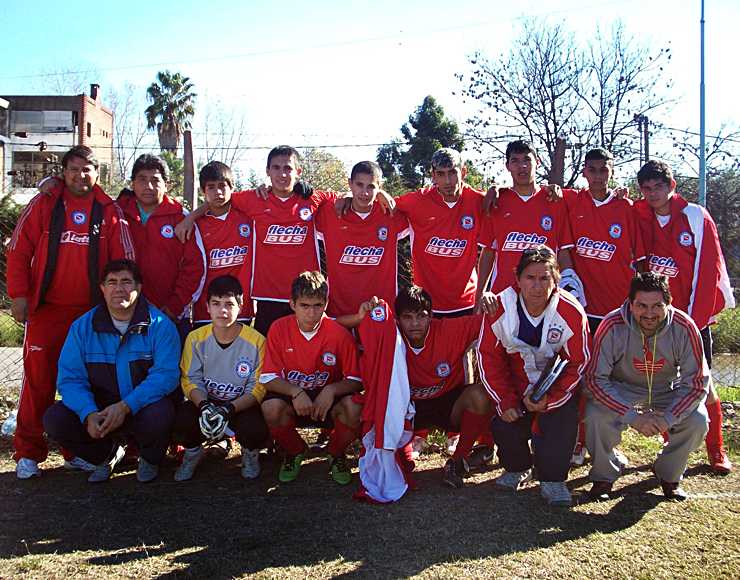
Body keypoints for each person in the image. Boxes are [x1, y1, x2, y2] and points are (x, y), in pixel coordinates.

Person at [8, 145, 136, 479]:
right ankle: (28, 453)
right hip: (47, 311)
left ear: (98, 174)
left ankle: (75, 450)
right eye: (74, 169)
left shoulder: (109, 211)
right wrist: (19, 295)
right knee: (38, 383)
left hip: (91, 316)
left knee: (84, 386)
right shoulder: (45, 203)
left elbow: (126, 263)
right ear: (64, 172)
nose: (81, 176)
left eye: (88, 169)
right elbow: (19, 252)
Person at [39, 154, 207, 342]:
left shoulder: (181, 218)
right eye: (142, 180)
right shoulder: (114, 211)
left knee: (172, 369)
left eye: (155, 181)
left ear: (166, 185)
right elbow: (84, 189)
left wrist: (172, 308)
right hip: (121, 314)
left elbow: (195, 268)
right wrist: (54, 181)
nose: (148, 187)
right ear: (132, 183)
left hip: (170, 316)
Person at [635, 159, 734, 473]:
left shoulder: (693, 215)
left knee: (702, 384)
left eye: (659, 187)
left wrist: (695, 320)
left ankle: (716, 450)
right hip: (655, 319)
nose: (653, 194)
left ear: (671, 186)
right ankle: (671, 445)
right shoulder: (640, 216)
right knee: (661, 382)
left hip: (692, 320)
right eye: (647, 188)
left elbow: (709, 270)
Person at [176, 146, 338, 337]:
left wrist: (377, 194)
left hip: (307, 295)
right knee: (267, 355)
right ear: (267, 171)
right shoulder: (254, 199)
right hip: (268, 296)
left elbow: (348, 197)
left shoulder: (312, 198)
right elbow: (219, 197)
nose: (282, 174)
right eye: (276, 168)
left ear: (298, 172)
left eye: (287, 168)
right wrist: (190, 217)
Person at [43, 260, 180, 483]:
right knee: (55, 418)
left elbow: (166, 375)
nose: (119, 288)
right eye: (112, 282)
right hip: (100, 409)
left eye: (126, 282)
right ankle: (107, 454)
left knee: (161, 414)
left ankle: (149, 458)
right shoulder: (82, 327)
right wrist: (89, 414)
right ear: (103, 289)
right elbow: (70, 379)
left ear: (139, 288)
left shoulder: (161, 325)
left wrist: (125, 407)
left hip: (142, 406)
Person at [477, 245, 589, 507]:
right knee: (504, 424)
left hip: (555, 390)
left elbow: (578, 362)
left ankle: (553, 479)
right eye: (530, 278)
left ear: (556, 280)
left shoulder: (571, 312)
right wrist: (505, 400)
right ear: (517, 279)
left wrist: (552, 398)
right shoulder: (500, 307)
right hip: (516, 389)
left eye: (544, 278)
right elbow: (488, 358)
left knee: (562, 419)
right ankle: (518, 468)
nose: (537, 286)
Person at [583, 272, 710, 500]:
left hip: (667, 388)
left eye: (657, 306)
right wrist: (633, 417)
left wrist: (668, 418)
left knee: (698, 420)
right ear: (631, 305)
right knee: (594, 414)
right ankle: (604, 476)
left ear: (669, 305)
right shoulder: (611, 325)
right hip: (623, 386)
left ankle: (668, 473)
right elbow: (595, 380)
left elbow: (697, 383)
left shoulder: (685, 327)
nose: (649, 314)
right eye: (642, 306)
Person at [562, 148, 646, 466]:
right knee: (582, 375)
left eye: (603, 170)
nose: (598, 175)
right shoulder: (573, 202)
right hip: (583, 309)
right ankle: (578, 442)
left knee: (613, 378)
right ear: (584, 172)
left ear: (612, 171)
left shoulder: (627, 208)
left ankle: (607, 442)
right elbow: (545, 196)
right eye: (592, 170)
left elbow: (639, 261)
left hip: (618, 310)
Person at [259, 271, 363, 485]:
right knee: (270, 408)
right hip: (295, 399)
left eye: (317, 306)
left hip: (327, 401)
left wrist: (331, 390)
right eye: (304, 306)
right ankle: (296, 451)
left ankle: (335, 453)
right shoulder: (278, 329)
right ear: (292, 304)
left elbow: (357, 380)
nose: (311, 314)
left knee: (354, 407)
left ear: (326, 304)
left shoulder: (339, 333)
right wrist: (296, 392)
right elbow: (268, 378)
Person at [173, 275, 268, 481]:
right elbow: (190, 380)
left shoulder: (256, 341)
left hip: (238, 404)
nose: (222, 311)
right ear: (207, 307)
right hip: (207, 403)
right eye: (216, 304)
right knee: (181, 420)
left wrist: (228, 409)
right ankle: (192, 453)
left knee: (256, 427)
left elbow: (257, 388)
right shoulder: (195, 338)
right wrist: (206, 406)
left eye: (229, 304)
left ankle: (250, 454)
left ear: (241, 307)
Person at [477, 140, 579, 298]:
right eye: (515, 161)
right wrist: (480, 294)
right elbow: (488, 252)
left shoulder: (554, 201)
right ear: (507, 166)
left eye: (527, 160)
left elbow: (563, 252)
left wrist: (570, 291)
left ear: (537, 162)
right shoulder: (497, 202)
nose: (522, 166)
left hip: (543, 296)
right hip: (504, 296)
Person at [315, 160, 409, 318]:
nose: (365, 192)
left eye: (371, 186)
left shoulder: (391, 213)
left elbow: (424, 210)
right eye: (359, 185)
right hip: (338, 313)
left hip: (380, 312)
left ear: (379, 187)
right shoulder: (330, 212)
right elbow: (302, 201)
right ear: (350, 184)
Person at [191, 161, 254, 327]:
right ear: (202, 191)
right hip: (205, 312)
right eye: (210, 187)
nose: (217, 192)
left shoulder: (248, 216)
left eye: (222, 186)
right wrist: (189, 218)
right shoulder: (195, 225)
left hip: (241, 309)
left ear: (232, 186)